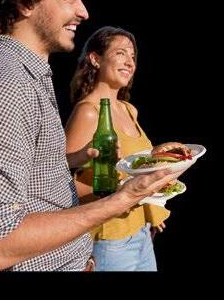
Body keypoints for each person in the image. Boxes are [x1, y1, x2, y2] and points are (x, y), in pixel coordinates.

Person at [0, 0, 182, 271]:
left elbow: (32, 183)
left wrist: (72, 162)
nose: (84, 12)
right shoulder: (2, 86)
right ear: (26, 2)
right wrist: (122, 199)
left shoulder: (27, 77)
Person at [65, 26, 169, 271]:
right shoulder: (89, 112)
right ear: (95, 59)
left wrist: (152, 206)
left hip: (142, 232)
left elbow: (136, 167)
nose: (130, 62)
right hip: (109, 240)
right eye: (121, 53)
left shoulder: (128, 109)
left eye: (132, 56)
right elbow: (63, 182)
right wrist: (119, 193)